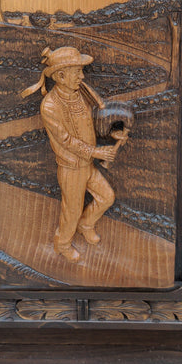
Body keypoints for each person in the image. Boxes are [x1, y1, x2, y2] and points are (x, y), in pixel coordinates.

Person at [21, 46, 124, 262]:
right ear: (60, 75)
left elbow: (90, 122)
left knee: (107, 197)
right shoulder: (50, 105)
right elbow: (66, 140)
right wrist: (95, 152)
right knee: (71, 211)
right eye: (77, 71)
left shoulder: (80, 94)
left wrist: (111, 133)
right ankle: (63, 244)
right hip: (71, 168)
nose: (82, 76)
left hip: (87, 164)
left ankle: (86, 224)